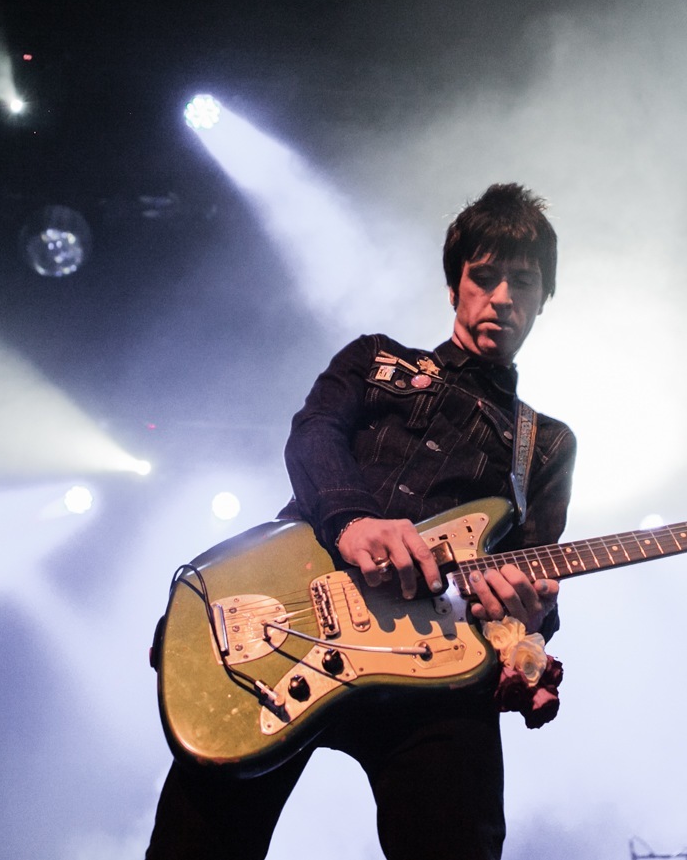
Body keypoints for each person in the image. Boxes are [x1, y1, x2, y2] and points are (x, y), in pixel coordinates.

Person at [147, 182, 575, 860]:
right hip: (291, 622)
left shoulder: (544, 442)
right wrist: (352, 522)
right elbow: (313, 434)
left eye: (522, 281)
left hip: (435, 664)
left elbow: (531, 567)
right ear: (454, 285)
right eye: (483, 276)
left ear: (544, 295)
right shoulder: (376, 359)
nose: (501, 297)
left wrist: (526, 617)